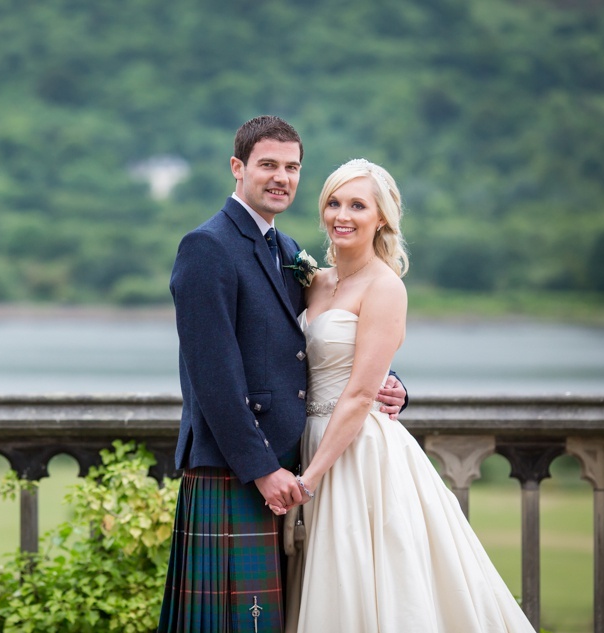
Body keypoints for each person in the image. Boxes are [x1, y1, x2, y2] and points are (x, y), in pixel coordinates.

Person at [157, 117, 407, 633]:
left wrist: (392, 381)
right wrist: (262, 469)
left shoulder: (288, 251)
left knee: (274, 619)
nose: (281, 178)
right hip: (236, 466)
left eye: (291, 168)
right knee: (235, 624)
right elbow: (213, 378)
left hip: (289, 466)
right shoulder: (207, 247)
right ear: (238, 167)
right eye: (268, 164)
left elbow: (324, 339)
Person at [281, 158, 535, 632]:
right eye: (334, 202)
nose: (342, 214)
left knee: (367, 576)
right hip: (307, 439)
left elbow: (360, 392)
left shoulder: (386, 287)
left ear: (382, 218)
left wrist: (308, 479)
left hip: (358, 454)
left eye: (358, 205)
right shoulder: (313, 281)